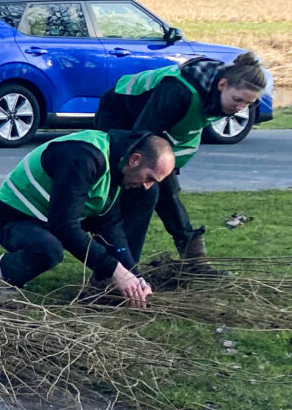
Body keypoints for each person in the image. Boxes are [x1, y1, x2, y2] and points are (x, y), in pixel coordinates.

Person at [95, 52, 268, 265]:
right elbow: (143, 135)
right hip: (119, 114)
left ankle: (191, 255)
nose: (240, 108)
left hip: (149, 125)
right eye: (238, 100)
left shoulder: (212, 97)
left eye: (248, 104)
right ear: (222, 84)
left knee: (163, 186)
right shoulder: (180, 90)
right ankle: (121, 265)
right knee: (142, 190)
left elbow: (182, 141)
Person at [0, 129, 174, 302]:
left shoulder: (118, 166)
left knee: (146, 198)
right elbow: (64, 226)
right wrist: (113, 269)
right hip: (14, 216)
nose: (147, 186)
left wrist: (132, 275)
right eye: (149, 177)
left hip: (49, 216)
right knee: (49, 250)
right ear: (135, 159)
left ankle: (106, 283)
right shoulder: (83, 158)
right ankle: (7, 271)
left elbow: (109, 226)